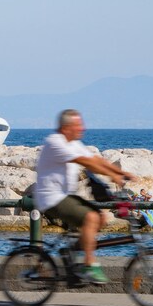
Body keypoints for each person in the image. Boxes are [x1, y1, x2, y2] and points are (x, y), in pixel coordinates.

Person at [34, 109, 135, 285]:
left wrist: (120, 172)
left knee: (102, 218)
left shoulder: (73, 143)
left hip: (65, 196)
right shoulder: (55, 142)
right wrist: (111, 176)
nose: (83, 128)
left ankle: (71, 255)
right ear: (66, 127)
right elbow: (85, 162)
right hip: (51, 198)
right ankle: (89, 265)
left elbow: (95, 159)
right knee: (90, 217)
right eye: (78, 125)